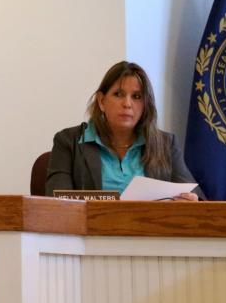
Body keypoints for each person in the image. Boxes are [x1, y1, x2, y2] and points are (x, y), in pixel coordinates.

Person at [45, 61, 201, 200]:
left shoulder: (166, 144)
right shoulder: (68, 142)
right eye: (118, 94)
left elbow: (199, 199)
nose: (127, 103)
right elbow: (56, 204)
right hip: (92, 231)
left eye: (137, 96)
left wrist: (190, 201)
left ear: (145, 105)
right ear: (101, 101)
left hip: (151, 230)